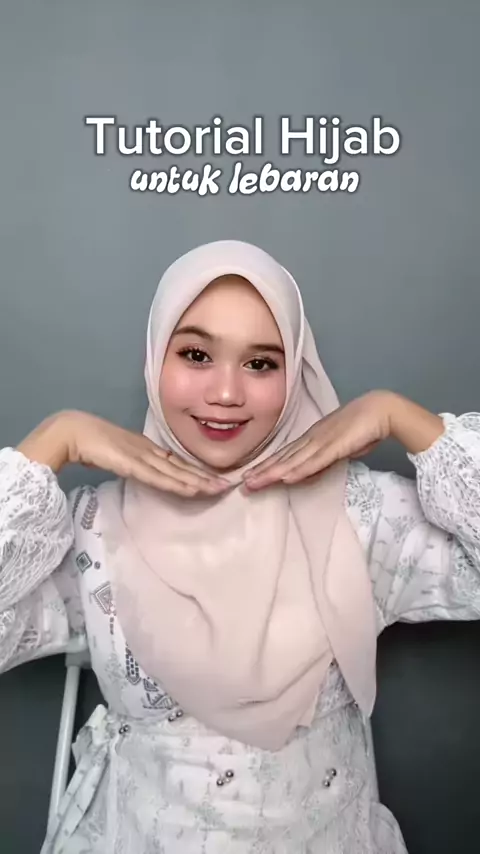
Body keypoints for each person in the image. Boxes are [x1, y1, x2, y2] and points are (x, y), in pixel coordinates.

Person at [1, 240, 479, 854]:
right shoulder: (95, 528)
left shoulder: (359, 515)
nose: (226, 393)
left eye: (260, 363)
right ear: (155, 358)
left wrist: (404, 419)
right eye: (196, 354)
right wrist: (53, 441)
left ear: (296, 372)